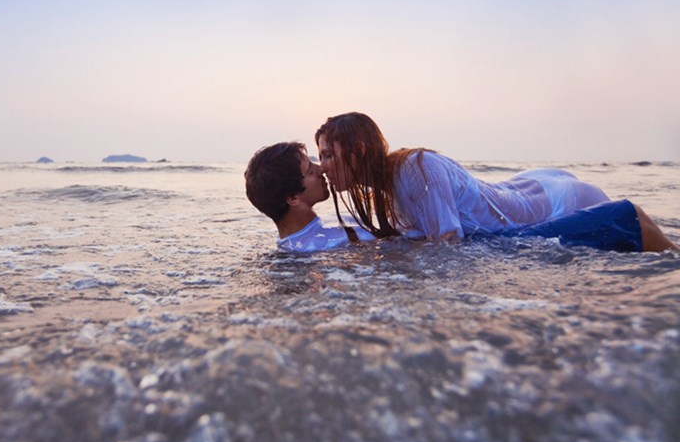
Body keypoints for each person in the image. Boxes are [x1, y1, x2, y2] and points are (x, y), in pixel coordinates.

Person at [315, 111, 678, 252]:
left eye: (328, 154)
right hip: (522, 192)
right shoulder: (388, 196)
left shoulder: (415, 168)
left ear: (358, 151)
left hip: (558, 202)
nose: (323, 166)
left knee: (630, 218)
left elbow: (447, 245)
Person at [244, 142, 374, 252]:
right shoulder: (326, 244)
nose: (321, 169)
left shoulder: (295, 244)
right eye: (311, 171)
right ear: (293, 198)